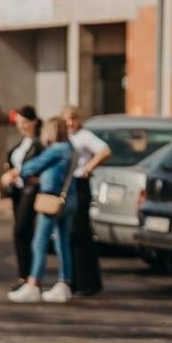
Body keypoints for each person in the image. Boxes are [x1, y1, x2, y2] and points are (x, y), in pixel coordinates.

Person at [4, 116, 75, 303]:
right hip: (67, 198)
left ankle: (34, 283)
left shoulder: (57, 149)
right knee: (62, 242)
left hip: (51, 198)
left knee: (40, 241)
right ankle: (64, 283)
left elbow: (34, 165)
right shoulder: (70, 148)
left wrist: (16, 172)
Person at [61, 107, 109, 296]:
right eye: (67, 120)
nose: (70, 123)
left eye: (73, 119)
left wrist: (88, 167)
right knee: (71, 233)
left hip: (80, 183)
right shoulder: (67, 137)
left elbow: (104, 151)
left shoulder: (84, 136)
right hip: (69, 184)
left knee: (80, 231)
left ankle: (87, 281)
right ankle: (74, 278)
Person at [4, 107, 45, 287]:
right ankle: (24, 274)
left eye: (24, 122)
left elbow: (40, 166)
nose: (21, 126)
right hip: (18, 191)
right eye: (18, 123)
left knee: (22, 231)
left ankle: (28, 276)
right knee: (22, 233)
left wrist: (19, 174)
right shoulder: (23, 142)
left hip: (31, 191)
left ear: (34, 122)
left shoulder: (39, 143)